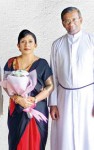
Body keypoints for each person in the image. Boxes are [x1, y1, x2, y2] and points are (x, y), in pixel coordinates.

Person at [49, 7, 94, 150]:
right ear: (63, 24)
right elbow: (53, 76)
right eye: (67, 21)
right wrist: (53, 104)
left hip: (88, 97)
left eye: (74, 19)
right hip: (64, 98)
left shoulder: (92, 41)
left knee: (88, 134)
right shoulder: (57, 45)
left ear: (81, 20)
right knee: (65, 136)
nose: (71, 23)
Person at [4, 29, 54, 150]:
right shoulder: (11, 62)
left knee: (37, 141)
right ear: (18, 45)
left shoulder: (42, 63)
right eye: (23, 41)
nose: (27, 45)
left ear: (35, 45)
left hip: (38, 108)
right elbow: (6, 85)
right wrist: (17, 99)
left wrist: (35, 99)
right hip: (17, 108)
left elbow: (50, 86)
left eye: (30, 41)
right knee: (16, 141)